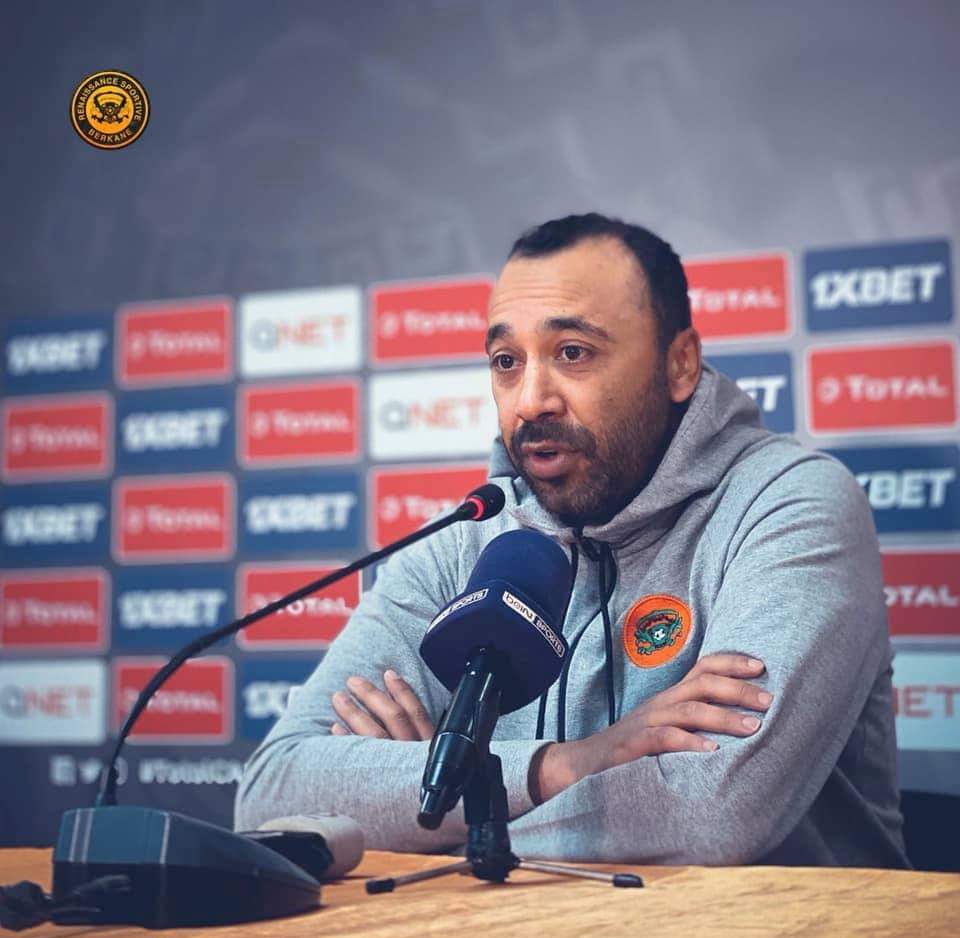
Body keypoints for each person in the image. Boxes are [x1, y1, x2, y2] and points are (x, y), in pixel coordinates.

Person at [235, 213, 909, 867]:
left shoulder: (789, 503)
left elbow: (715, 811)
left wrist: (435, 806)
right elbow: (271, 794)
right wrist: (562, 766)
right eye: (506, 361)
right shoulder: (467, 538)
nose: (531, 400)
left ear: (679, 365)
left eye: (573, 353)